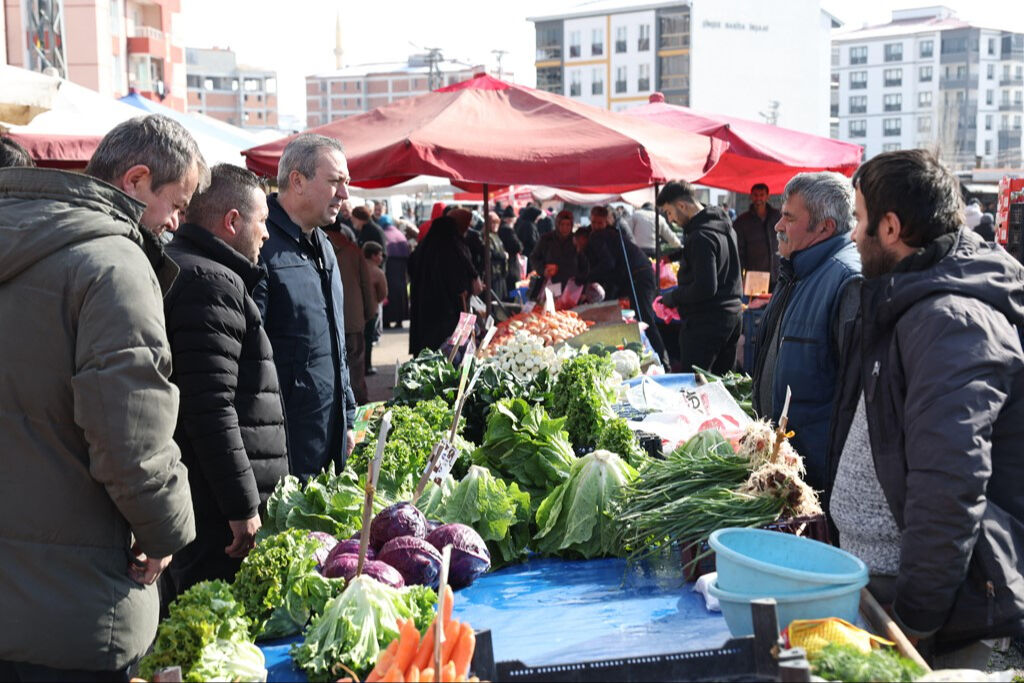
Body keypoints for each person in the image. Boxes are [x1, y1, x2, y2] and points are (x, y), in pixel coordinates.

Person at [0, 114, 202, 679]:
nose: (177, 224)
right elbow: (130, 437)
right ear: (136, 181)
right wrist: (167, 530)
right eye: (178, 204)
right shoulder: (114, 264)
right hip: (68, 610)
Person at [828, 149, 1024, 668]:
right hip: (880, 586)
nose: (852, 234)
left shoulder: (952, 321)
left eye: (860, 219)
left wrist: (913, 624)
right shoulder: (906, 299)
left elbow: (949, 486)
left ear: (890, 227)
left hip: (928, 614)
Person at [163, 164, 288, 595]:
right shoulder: (211, 281)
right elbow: (210, 406)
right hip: (217, 514)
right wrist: (243, 505)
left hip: (202, 497)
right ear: (232, 221)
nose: (267, 235)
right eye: (263, 222)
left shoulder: (187, 268)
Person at [253, 133, 357, 477]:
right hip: (283, 449)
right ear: (297, 181)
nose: (344, 194)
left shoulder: (324, 246)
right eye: (335, 182)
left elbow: (335, 344)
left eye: (346, 183)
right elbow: (249, 358)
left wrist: (348, 416)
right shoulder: (259, 246)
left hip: (328, 438)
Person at [750, 172, 861, 489]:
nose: (778, 226)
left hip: (819, 478)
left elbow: (854, 403)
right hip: (788, 469)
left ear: (824, 227)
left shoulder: (847, 281)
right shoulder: (799, 270)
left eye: (788, 217)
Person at [657, 181, 743, 374]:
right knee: (725, 386)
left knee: (696, 386)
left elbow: (705, 287)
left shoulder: (701, 236)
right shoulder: (725, 227)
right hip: (732, 316)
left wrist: (673, 297)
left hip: (707, 323)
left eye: (669, 212)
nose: (670, 220)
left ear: (682, 206)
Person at [585, 205, 669, 364]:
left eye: (600, 223)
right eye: (594, 222)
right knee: (642, 317)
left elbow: (608, 264)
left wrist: (588, 277)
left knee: (645, 318)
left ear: (606, 221)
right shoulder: (612, 233)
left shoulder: (601, 236)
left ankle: (662, 360)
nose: (596, 226)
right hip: (641, 273)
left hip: (639, 276)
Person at [408, 215, 483, 355]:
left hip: (424, 309)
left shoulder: (422, 248)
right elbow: (460, 281)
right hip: (449, 311)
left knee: (427, 351)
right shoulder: (453, 248)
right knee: (451, 353)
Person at [323, 219, 376, 405]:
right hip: (353, 320)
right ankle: (358, 408)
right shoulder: (354, 251)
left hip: (325, 320)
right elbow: (367, 287)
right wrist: (369, 314)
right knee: (355, 368)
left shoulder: (312, 247)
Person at [734, 182, 782, 288]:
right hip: (755, 276)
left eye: (761, 195)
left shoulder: (778, 217)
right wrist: (739, 278)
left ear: (767, 197)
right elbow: (738, 253)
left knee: (779, 304)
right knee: (756, 304)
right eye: (755, 195)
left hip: (778, 274)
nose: (758, 199)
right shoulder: (742, 222)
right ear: (751, 196)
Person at [530, 209, 579, 286]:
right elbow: (534, 258)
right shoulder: (546, 239)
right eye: (562, 224)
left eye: (568, 225)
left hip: (570, 284)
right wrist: (543, 270)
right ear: (557, 224)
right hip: (549, 282)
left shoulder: (576, 240)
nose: (565, 228)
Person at [379, 215, 411, 328]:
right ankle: (400, 319)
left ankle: (387, 320)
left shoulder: (383, 233)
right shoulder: (399, 234)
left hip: (389, 266)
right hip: (402, 268)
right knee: (401, 292)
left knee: (388, 292)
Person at [363, 241, 389, 375]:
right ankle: (367, 366)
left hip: (353, 311)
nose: (381, 258)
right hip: (371, 309)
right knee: (368, 339)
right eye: (379, 255)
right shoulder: (378, 272)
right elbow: (383, 293)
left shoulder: (357, 267)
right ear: (373, 256)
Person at [496, 209, 524, 292]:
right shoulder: (508, 230)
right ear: (510, 219)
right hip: (511, 266)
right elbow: (518, 247)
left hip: (501, 268)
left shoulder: (499, 228)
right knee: (511, 291)